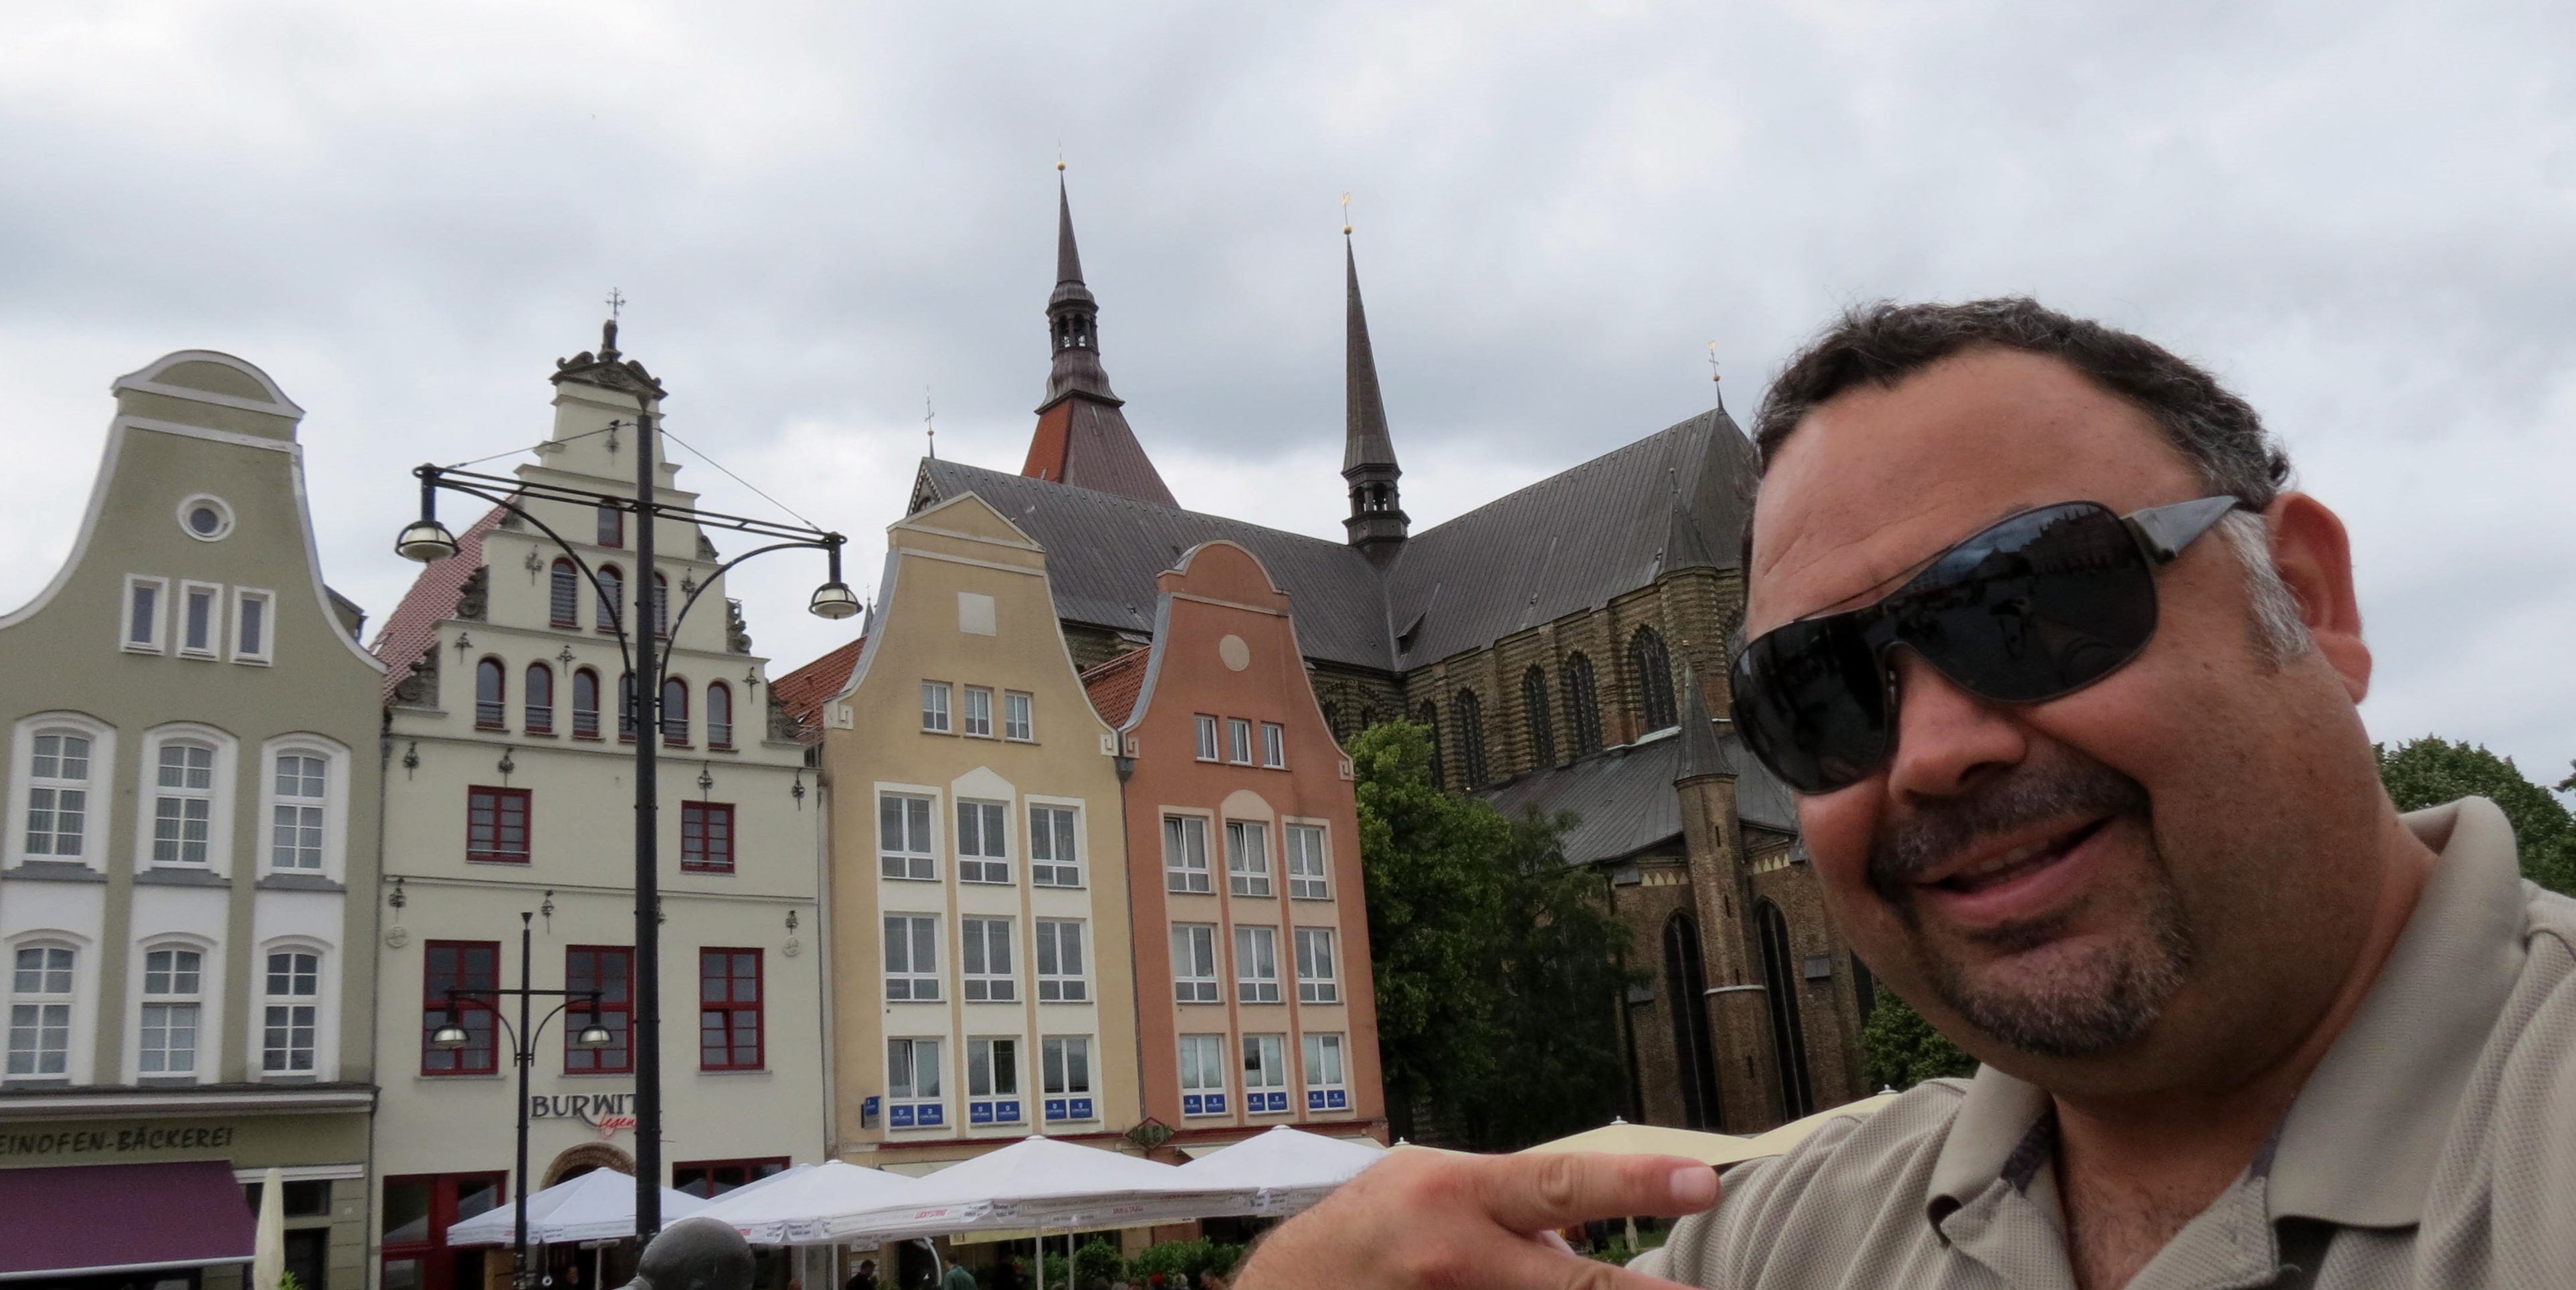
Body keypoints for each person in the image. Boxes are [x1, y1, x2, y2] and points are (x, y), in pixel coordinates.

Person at [1234, 298, 2576, 1289]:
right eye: (1814, 692)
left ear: (2307, 598)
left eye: (2027, 606)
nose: (1931, 751)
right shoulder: (1787, 1237)